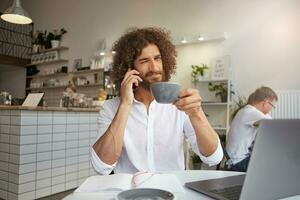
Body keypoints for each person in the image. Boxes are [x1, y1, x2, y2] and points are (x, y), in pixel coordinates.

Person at [91, 27, 223, 175]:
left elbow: (214, 157)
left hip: (172, 192)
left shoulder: (181, 105)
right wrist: (125, 105)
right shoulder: (111, 108)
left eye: (157, 58)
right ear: (129, 68)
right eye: (144, 61)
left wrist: (197, 113)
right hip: (130, 192)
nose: (154, 67)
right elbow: (101, 166)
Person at [226, 86, 278, 172]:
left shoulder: (247, 111)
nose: (271, 109)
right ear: (265, 103)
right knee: (274, 164)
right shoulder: (250, 112)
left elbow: (270, 120)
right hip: (238, 162)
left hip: (236, 160)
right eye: (272, 106)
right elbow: (274, 125)